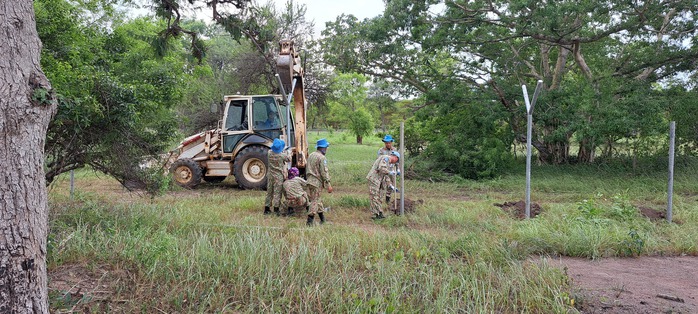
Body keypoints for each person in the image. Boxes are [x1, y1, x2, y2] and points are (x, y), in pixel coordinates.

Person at [305, 138, 333, 226]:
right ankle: (309, 222)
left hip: (309, 181)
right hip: (316, 182)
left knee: (317, 200)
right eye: (326, 148)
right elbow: (324, 172)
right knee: (314, 201)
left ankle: (322, 219)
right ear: (323, 148)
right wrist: (328, 184)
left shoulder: (311, 155)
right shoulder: (322, 157)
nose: (326, 149)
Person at [367, 151, 400, 220]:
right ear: (395, 157)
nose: (395, 163)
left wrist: (391, 186)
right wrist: (390, 172)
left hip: (380, 181)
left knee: (380, 197)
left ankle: (379, 212)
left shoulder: (388, 163)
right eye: (397, 160)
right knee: (374, 196)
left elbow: (386, 176)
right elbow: (381, 169)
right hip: (374, 179)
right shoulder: (385, 158)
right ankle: (376, 214)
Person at [264, 138, 290, 215]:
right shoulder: (282, 156)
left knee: (269, 192)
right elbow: (289, 159)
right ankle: (276, 209)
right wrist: (288, 153)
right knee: (277, 193)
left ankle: (267, 208)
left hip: (270, 175)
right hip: (278, 176)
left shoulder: (269, 153)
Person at [377, 135, 398, 204]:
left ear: (391, 142)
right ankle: (379, 200)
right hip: (384, 170)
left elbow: (397, 159)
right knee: (383, 185)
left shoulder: (394, 150)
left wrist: (398, 169)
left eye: (389, 142)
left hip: (392, 170)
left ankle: (387, 199)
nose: (388, 144)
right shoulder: (381, 150)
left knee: (391, 185)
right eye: (386, 143)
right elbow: (379, 160)